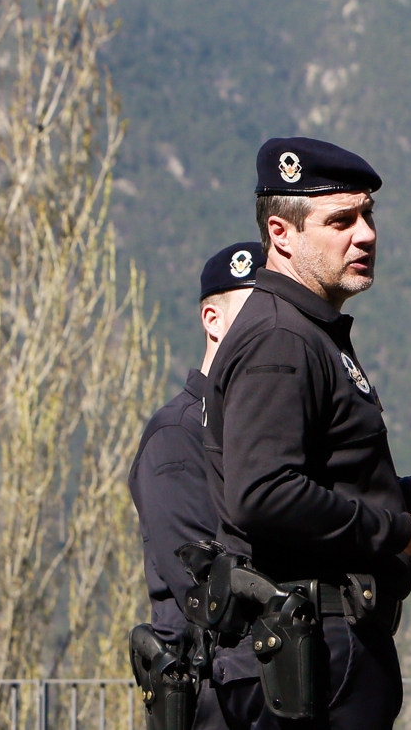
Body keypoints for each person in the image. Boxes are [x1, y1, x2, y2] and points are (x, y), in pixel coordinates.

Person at [204, 138, 411, 730]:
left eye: (367, 216)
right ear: (281, 233)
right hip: (308, 655)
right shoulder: (280, 339)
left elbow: (316, 479)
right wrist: (403, 531)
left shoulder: (308, 333)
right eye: (340, 221)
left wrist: (410, 492)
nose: (365, 235)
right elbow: (264, 493)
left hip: (325, 649)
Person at [129, 242, 261, 730]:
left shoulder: (254, 431)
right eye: (251, 315)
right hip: (211, 695)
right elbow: (204, 584)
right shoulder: (178, 434)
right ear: (212, 320)